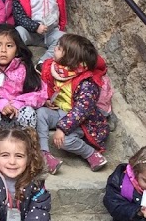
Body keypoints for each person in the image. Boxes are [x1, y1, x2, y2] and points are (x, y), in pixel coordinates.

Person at [37, 34, 110, 174]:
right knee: (41, 113)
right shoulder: (56, 69)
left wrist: (62, 128)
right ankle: (44, 154)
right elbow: (46, 87)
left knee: (64, 141)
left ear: (70, 58)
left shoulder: (87, 82)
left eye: (59, 48)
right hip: (59, 112)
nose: (55, 49)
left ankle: (91, 154)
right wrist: (46, 100)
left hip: (81, 121)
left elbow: (82, 109)